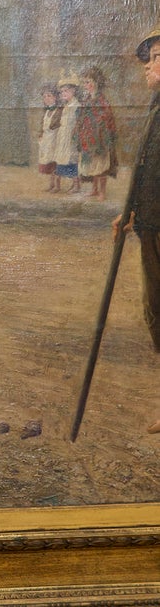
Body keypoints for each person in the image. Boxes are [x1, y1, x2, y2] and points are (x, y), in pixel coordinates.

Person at [113, 22, 160, 432]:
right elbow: (146, 170)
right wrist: (129, 211)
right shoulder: (155, 107)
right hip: (150, 225)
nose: (147, 66)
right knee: (156, 309)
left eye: (156, 58)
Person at [77, 66, 117, 202]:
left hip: (100, 138)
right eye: (84, 82)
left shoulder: (102, 100)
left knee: (101, 165)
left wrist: (99, 126)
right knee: (92, 165)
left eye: (88, 82)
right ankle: (94, 189)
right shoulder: (87, 100)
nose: (85, 85)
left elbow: (107, 118)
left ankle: (102, 191)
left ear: (96, 82)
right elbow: (82, 116)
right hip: (88, 137)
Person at [54, 72, 82, 195]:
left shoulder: (77, 106)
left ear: (73, 91)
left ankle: (76, 185)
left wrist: (75, 136)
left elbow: (79, 123)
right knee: (61, 160)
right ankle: (57, 185)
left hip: (71, 137)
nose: (63, 94)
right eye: (62, 92)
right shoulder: (66, 106)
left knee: (71, 161)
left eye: (66, 91)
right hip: (63, 137)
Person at [37, 83, 63, 193]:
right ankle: (51, 184)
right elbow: (42, 125)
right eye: (44, 96)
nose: (46, 98)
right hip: (46, 140)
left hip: (55, 139)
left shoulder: (59, 110)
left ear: (55, 97)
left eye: (49, 96)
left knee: (56, 163)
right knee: (49, 163)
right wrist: (40, 135)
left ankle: (57, 185)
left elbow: (59, 126)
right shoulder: (46, 111)